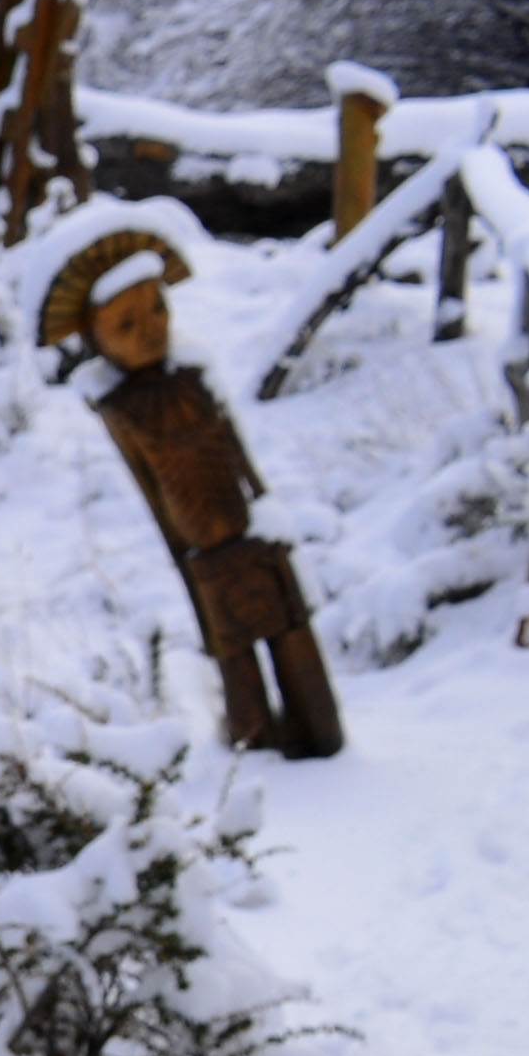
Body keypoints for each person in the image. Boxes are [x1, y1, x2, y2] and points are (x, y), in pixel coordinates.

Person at [45, 228, 350, 761]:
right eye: (126, 325)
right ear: (96, 337)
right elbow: (151, 493)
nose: (151, 331)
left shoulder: (194, 376)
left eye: (157, 310)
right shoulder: (120, 407)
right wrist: (183, 560)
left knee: (293, 637)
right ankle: (253, 750)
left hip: (251, 533)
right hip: (202, 550)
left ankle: (320, 736)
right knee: (237, 661)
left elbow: (236, 451)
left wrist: (263, 505)